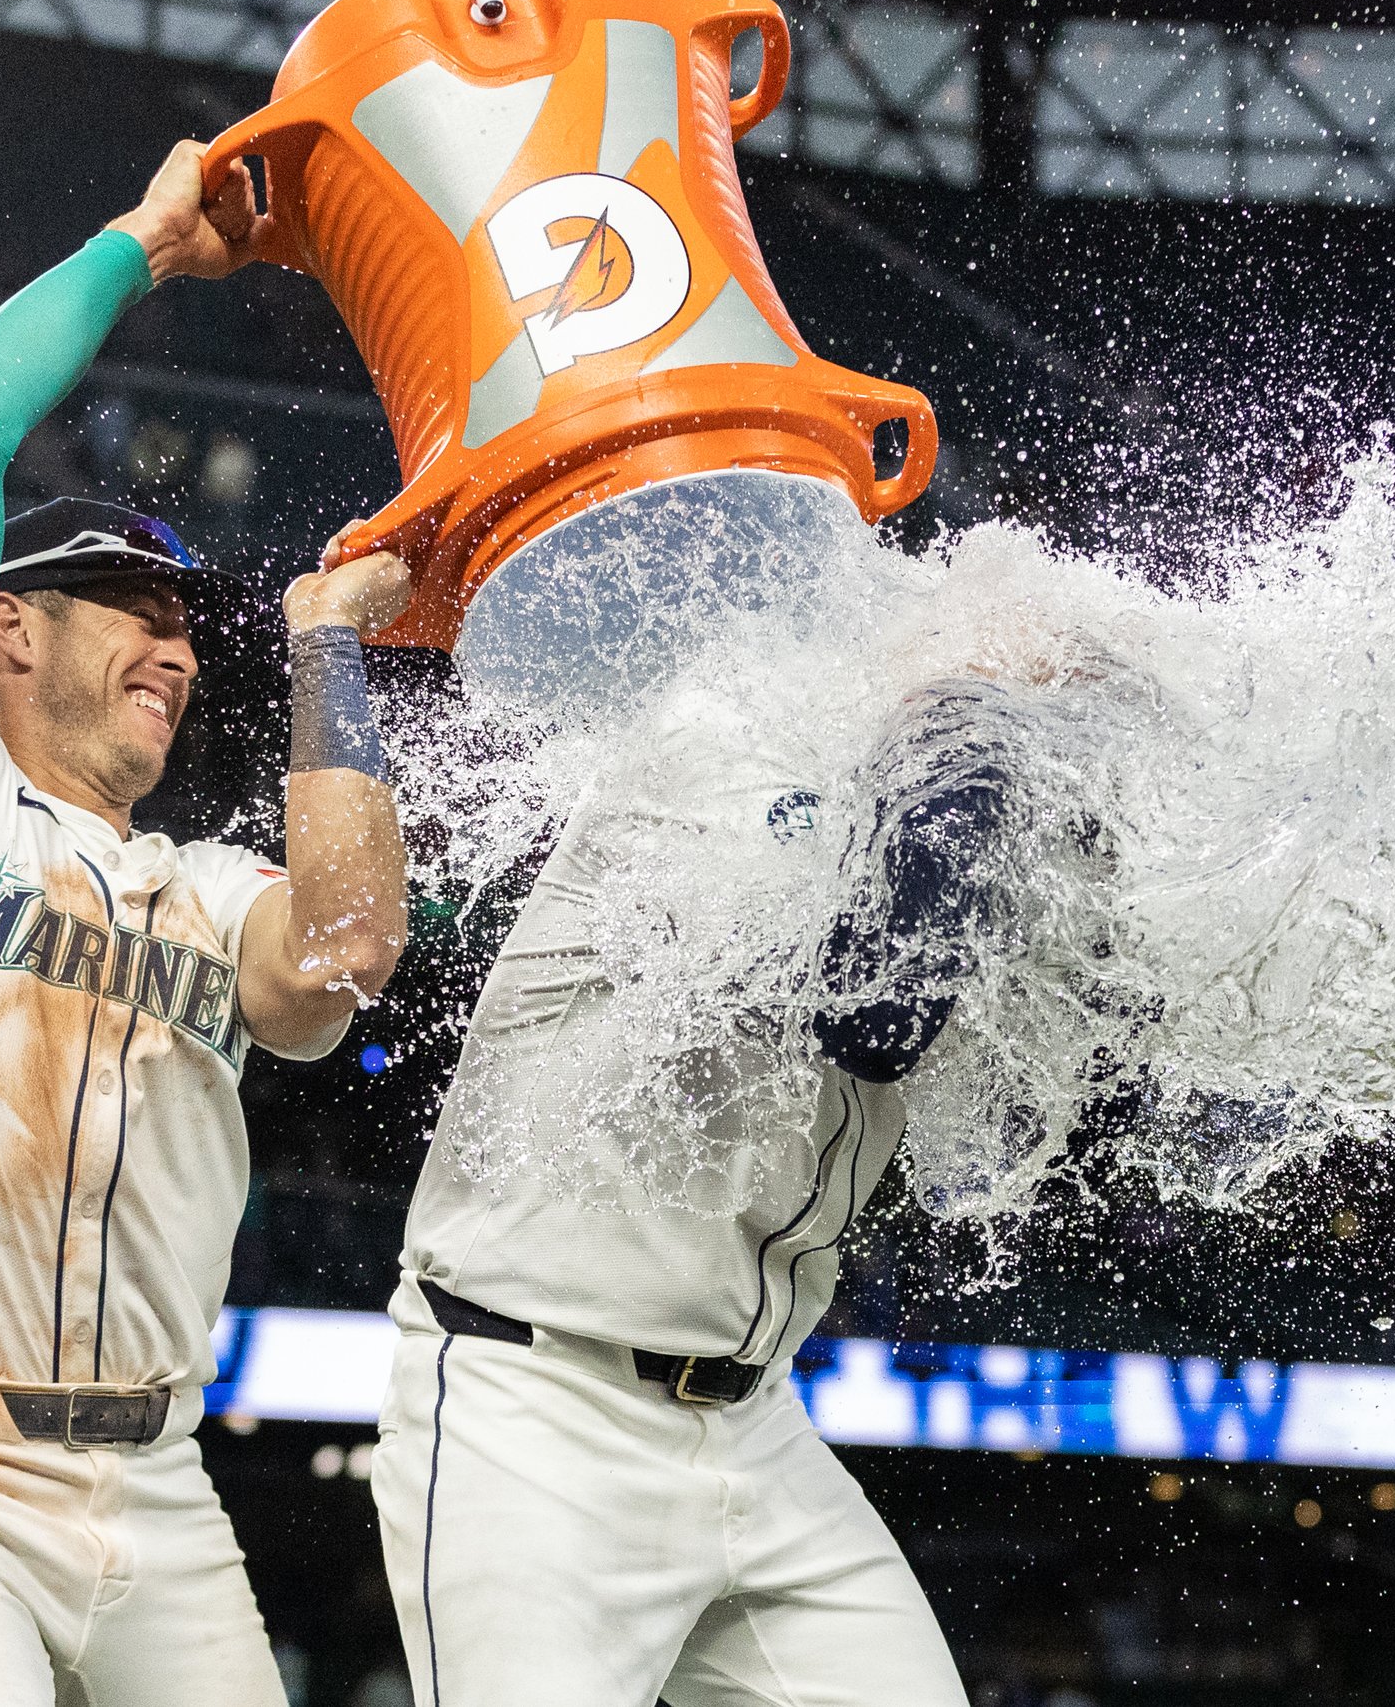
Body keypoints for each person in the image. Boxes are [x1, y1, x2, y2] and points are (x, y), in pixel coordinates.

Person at [0, 141, 414, 1707]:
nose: (177, 645)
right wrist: (142, 241)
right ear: (7, 631)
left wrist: (330, 650)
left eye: (191, 623)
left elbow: (345, 949)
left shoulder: (201, 889)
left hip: (156, 1483)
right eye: (133, 604)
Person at [372, 668, 1024, 1706]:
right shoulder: (723, 725)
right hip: (539, 1407)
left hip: (755, 1419)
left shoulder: (934, 807)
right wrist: (981, 733)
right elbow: (873, 1010)